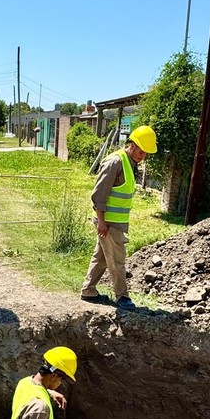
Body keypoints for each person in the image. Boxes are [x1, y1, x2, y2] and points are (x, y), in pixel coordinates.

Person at [81, 125, 157, 311]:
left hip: (115, 222)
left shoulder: (129, 163)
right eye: (141, 151)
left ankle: (88, 290)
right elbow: (98, 195)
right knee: (117, 260)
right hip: (108, 222)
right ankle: (122, 297)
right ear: (132, 144)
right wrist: (101, 221)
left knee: (102, 258)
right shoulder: (115, 162)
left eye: (146, 153)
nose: (142, 156)